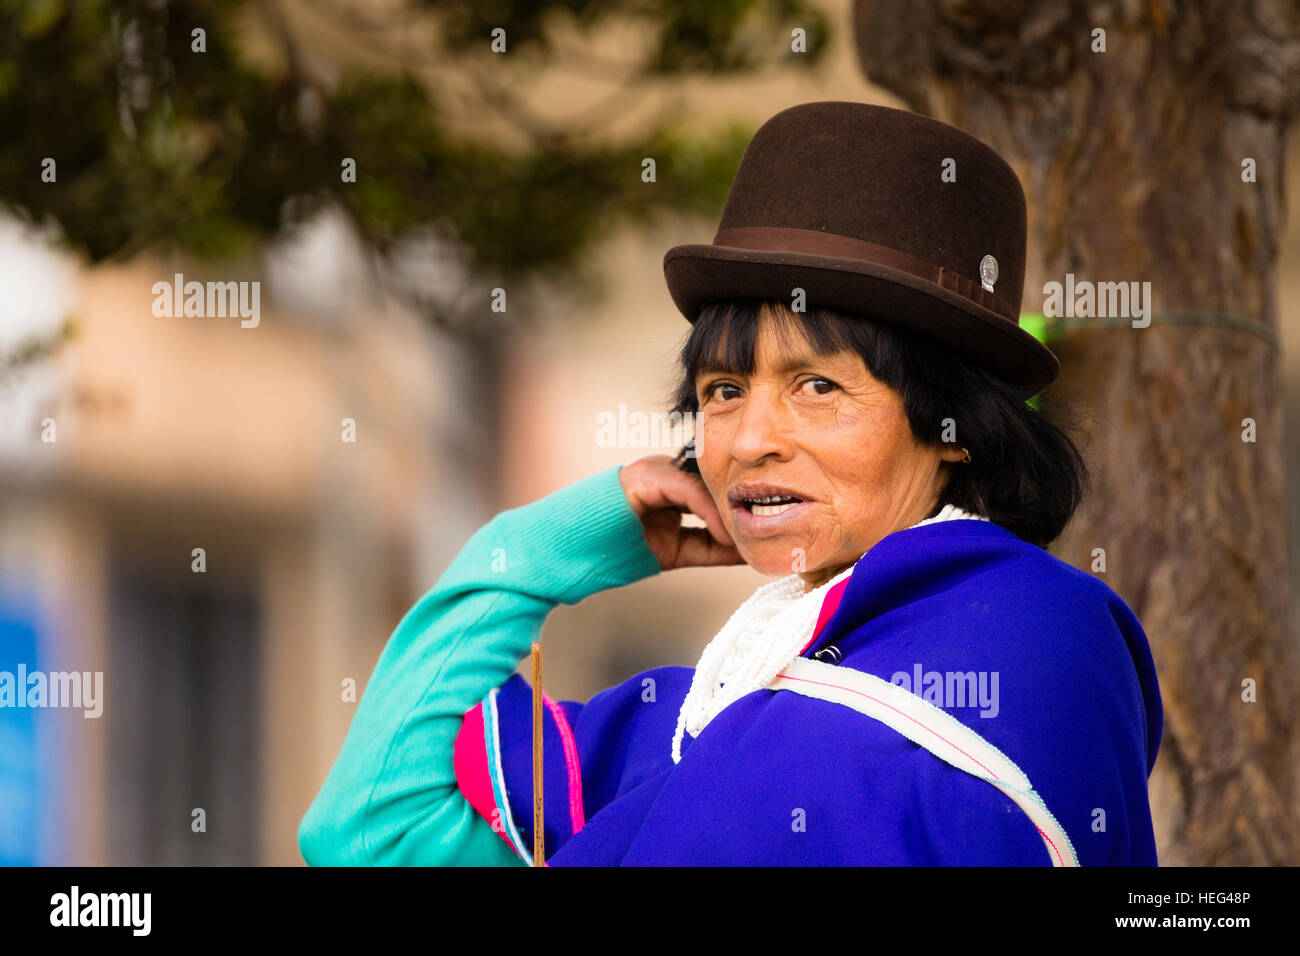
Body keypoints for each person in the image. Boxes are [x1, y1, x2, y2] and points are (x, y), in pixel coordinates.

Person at [297, 101, 1163, 866]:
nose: (748, 441)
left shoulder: (1034, 638)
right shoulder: (689, 730)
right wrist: (543, 550)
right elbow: (369, 829)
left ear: (957, 428)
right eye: (722, 392)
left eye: (818, 387)